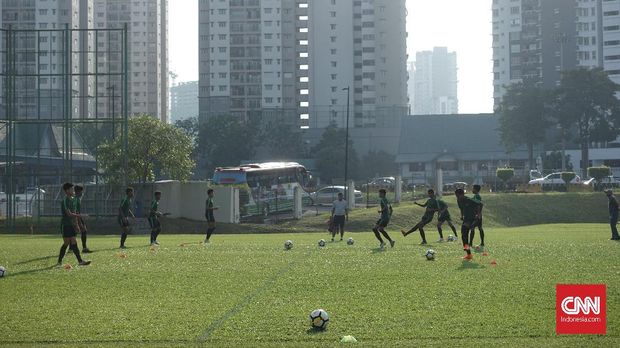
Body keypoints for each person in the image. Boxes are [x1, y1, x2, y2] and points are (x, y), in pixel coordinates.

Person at [57, 183, 91, 266]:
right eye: (72, 189)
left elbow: (75, 213)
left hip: (71, 225)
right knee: (66, 243)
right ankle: (59, 261)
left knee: (73, 242)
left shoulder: (73, 200)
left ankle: (80, 261)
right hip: (66, 225)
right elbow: (69, 214)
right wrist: (82, 215)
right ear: (67, 191)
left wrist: (77, 225)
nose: (73, 191)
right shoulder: (65, 201)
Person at [455, 188, 483, 260]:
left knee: (464, 232)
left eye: (458, 196)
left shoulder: (468, 199)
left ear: (462, 194)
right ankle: (468, 252)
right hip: (466, 219)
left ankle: (468, 252)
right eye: (456, 196)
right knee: (463, 236)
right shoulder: (459, 200)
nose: (457, 197)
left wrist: (479, 213)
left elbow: (480, 204)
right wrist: (462, 215)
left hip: (473, 218)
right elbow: (461, 208)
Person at [74, 185, 91, 253]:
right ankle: (84, 248)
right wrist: (79, 222)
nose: (82, 193)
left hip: (77, 216)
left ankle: (71, 248)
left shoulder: (76, 198)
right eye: (81, 191)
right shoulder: (76, 199)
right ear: (78, 191)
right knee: (83, 230)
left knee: (75, 232)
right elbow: (76, 211)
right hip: (77, 216)